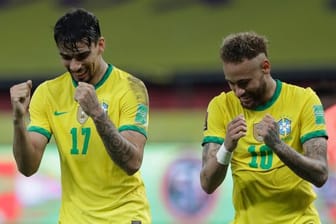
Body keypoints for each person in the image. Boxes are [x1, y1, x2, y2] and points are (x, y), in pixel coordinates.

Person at [10, 8, 151, 224]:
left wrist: (98, 114)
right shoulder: (48, 93)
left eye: (82, 55)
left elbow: (132, 162)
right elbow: (28, 168)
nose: (74, 66)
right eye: (66, 57)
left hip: (124, 217)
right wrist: (18, 121)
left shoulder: (131, 88)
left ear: (100, 45)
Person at [200, 31, 328, 223]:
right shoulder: (220, 106)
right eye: (231, 84)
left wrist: (278, 145)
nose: (238, 92)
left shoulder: (303, 100)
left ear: (265, 67)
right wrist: (226, 147)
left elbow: (320, 174)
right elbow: (207, 184)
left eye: (244, 83)